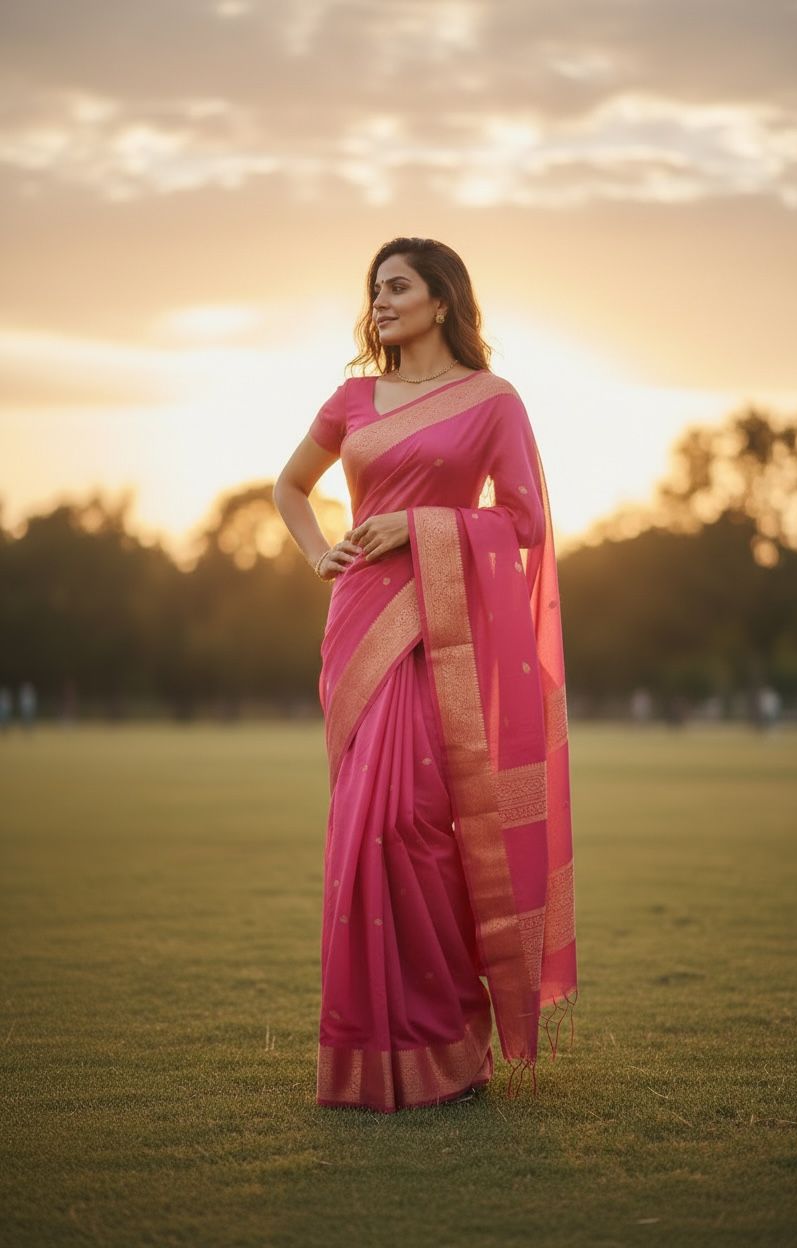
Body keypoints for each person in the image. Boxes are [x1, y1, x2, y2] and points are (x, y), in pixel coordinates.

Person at [274, 236, 577, 1113]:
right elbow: (290, 487)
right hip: (362, 622)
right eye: (373, 290)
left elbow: (520, 520)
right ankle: (372, 1053)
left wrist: (419, 529)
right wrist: (320, 555)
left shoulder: (492, 403)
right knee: (362, 828)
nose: (380, 301)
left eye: (398, 287)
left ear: (441, 300)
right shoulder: (354, 398)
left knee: (417, 822)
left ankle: (447, 1046)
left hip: (440, 626)